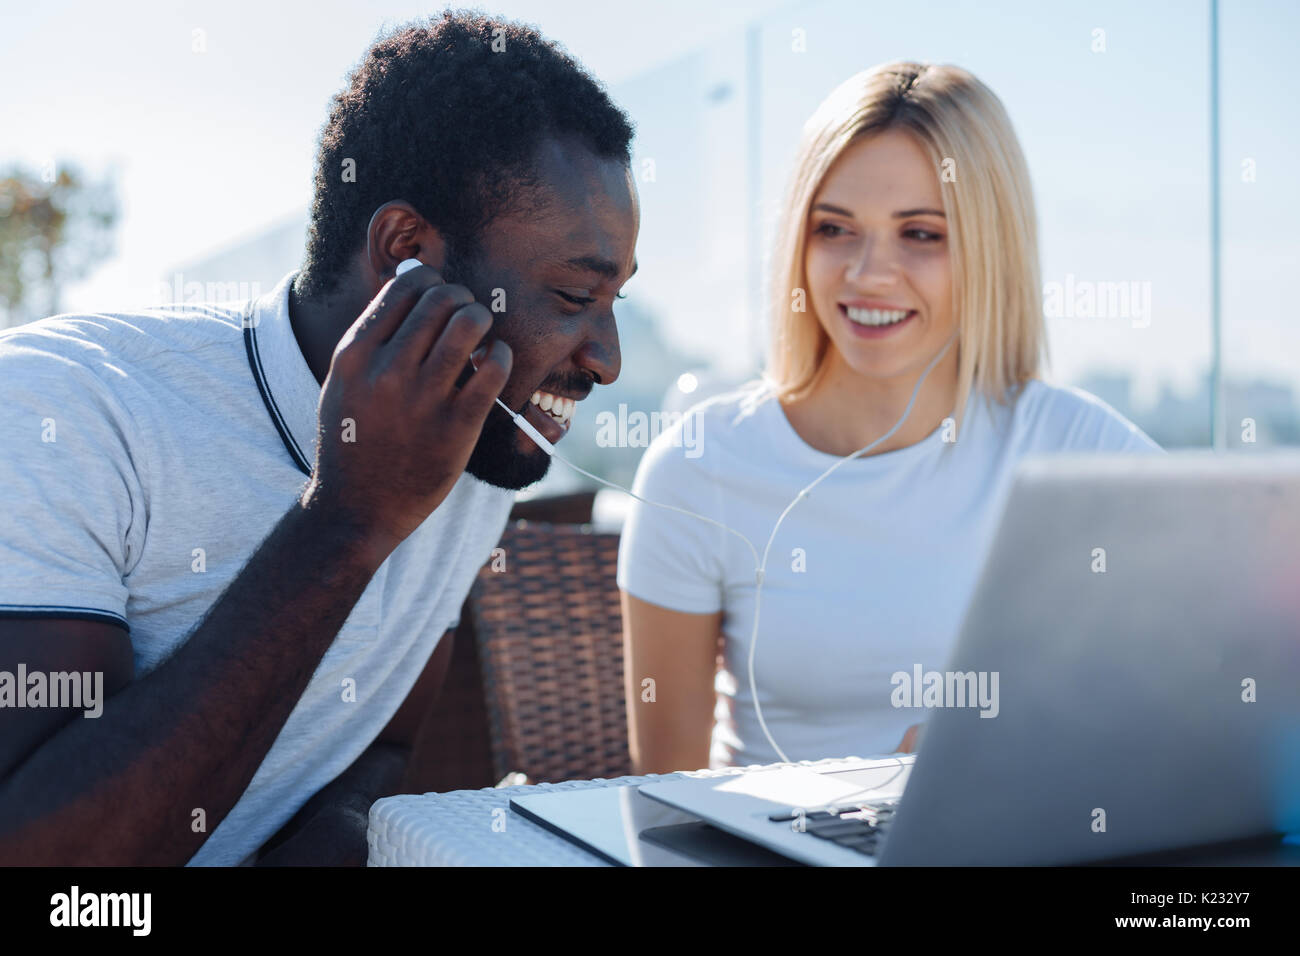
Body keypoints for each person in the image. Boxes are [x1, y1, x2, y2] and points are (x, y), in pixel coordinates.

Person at [0, 11, 637, 865]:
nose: (608, 361)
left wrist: (334, 837)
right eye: (570, 297)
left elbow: (379, 745)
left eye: (614, 301)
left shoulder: (476, 448)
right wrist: (350, 518)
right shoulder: (65, 409)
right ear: (408, 252)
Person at [618, 61, 1160, 775]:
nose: (869, 273)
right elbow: (667, 798)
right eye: (835, 228)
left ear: (989, 253)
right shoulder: (699, 467)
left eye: (922, 234)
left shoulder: (1078, 450)